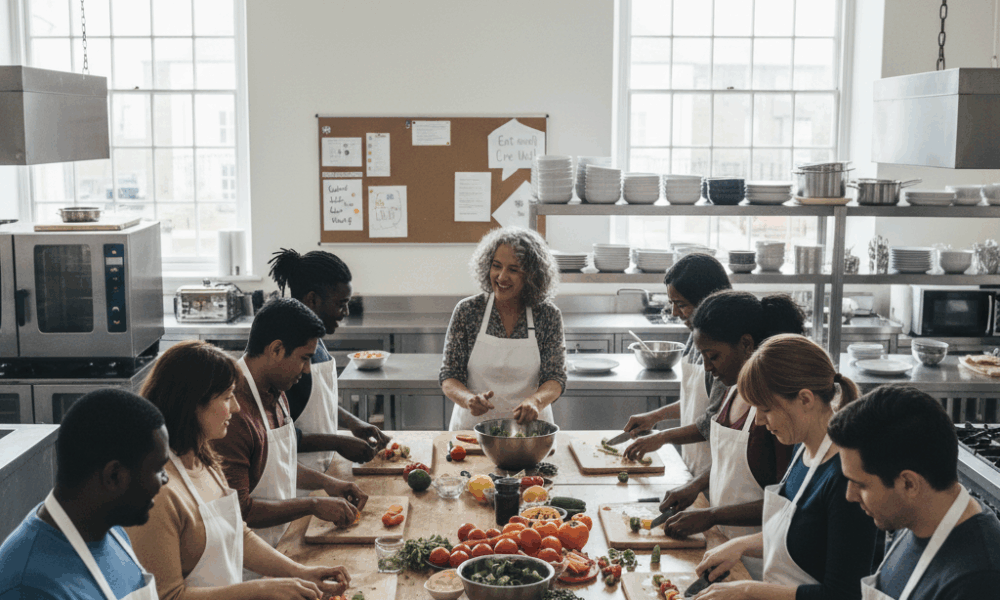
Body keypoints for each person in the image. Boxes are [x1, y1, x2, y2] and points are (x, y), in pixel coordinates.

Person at [127, 340, 351, 600]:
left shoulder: (205, 459)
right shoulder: (157, 494)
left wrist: (299, 572)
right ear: (192, 405)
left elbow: (239, 535)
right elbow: (168, 596)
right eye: (226, 397)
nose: (235, 407)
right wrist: (259, 590)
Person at [626, 291, 800, 579]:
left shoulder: (773, 415)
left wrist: (712, 514)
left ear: (746, 344)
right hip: (722, 548)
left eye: (713, 356)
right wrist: (695, 486)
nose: (707, 367)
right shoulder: (732, 390)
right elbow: (730, 461)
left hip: (759, 565)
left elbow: (784, 507)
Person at [694, 334, 879, 600]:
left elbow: (843, 595)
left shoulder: (845, 479)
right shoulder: (802, 447)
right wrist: (740, 545)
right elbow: (801, 535)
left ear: (805, 399)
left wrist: (747, 589)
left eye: (766, 409)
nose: (758, 421)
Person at [213, 298, 368, 548]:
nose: (307, 370)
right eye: (304, 358)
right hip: (248, 566)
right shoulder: (232, 413)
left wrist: (327, 483)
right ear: (276, 349)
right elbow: (240, 510)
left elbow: (277, 466)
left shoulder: (277, 389)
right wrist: (312, 504)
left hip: (281, 543)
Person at [828, 385, 1000, 600]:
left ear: (909, 484)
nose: (850, 495)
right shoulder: (912, 520)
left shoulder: (979, 580)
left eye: (861, 485)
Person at [0, 389, 169, 600]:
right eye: (159, 469)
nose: (165, 479)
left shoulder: (113, 531)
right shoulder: (29, 588)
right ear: (114, 476)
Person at [269, 248, 391, 471]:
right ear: (312, 300)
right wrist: (338, 442)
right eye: (340, 304)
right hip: (294, 481)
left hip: (321, 471)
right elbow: (273, 435)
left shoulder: (314, 340)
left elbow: (316, 403)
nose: (345, 312)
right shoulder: (286, 354)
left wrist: (353, 423)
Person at [439, 226, 567, 430]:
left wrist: (536, 401)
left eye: (513, 270)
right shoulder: (468, 311)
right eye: (496, 266)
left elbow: (555, 377)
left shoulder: (547, 315)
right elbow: (449, 375)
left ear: (532, 275)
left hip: (530, 434)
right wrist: (468, 399)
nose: (501, 277)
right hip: (472, 433)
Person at [622, 253, 732, 475]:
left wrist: (663, 437)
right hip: (693, 462)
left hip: (716, 469)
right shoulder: (695, 334)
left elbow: (714, 419)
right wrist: (656, 416)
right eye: (672, 304)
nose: (674, 312)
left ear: (706, 299)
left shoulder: (725, 348)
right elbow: (696, 400)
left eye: (681, 304)